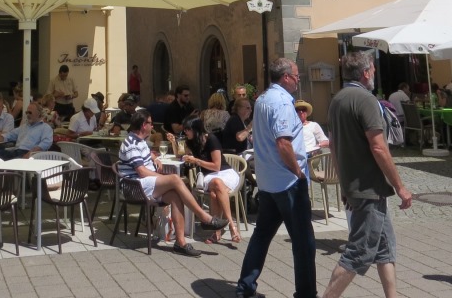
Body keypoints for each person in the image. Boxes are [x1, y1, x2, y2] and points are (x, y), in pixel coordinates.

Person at [321, 50, 412, 298]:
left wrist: (344, 184)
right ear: (365, 73)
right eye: (372, 69)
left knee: (384, 249)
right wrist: (400, 186)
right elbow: (379, 147)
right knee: (358, 253)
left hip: (359, 186)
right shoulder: (366, 99)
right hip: (368, 187)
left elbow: (333, 146)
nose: (374, 73)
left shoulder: (337, 99)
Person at [236, 58, 315, 297]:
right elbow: (283, 143)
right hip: (287, 182)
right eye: (296, 75)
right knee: (303, 242)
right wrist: (298, 173)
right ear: (286, 77)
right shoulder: (281, 102)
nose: (298, 80)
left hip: (268, 180)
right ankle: (306, 293)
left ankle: (245, 286)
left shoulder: (262, 99)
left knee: (261, 235)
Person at [118, 108, 226, 257]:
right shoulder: (131, 144)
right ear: (144, 125)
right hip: (134, 187)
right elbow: (142, 171)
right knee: (175, 179)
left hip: (144, 184)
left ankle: (180, 243)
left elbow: (145, 156)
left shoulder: (140, 141)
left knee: (175, 195)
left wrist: (154, 158)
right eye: (150, 123)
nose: (152, 126)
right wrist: (160, 176)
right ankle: (204, 217)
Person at [179, 115, 242, 244]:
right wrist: (175, 144)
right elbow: (180, 156)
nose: (185, 132)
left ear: (196, 129)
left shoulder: (211, 139)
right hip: (209, 176)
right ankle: (232, 226)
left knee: (214, 194)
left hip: (225, 172)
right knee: (216, 184)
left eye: (187, 129)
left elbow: (217, 166)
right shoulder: (190, 142)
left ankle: (217, 231)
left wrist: (196, 160)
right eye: (184, 129)